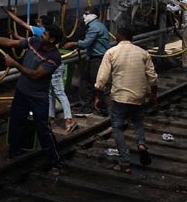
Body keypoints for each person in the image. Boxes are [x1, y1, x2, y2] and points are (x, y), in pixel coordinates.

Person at [0, 25, 64, 172]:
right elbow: (9, 43)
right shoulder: (34, 41)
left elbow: (36, 75)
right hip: (22, 92)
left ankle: (54, 160)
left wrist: (15, 64)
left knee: (43, 128)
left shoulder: (54, 57)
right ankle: (14, 154)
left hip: (38, 97)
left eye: (45, 34)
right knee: (16, 123)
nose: (42, 35)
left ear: (52, 40)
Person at [95, 26, 158, 173]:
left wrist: (98, 97)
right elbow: (153, 78)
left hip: (120, 97)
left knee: (117, 127)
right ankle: (141, 144)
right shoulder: (143, 53)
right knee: (137, 121)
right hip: (139, 96)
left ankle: (124, 162)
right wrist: (153, 95)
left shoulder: (111, 52)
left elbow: (102, 78)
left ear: (118, 36)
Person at [3, 8, 78, 133]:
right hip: (52, 66)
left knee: (59, 92)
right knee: (51, 93)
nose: (37, 23)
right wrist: (16, 36)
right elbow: (28, 40)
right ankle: (51, 117)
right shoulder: (48, 32)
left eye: (38, 21)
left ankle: (68, 120)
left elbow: (22, 24)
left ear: (42, 25)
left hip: (50, 67)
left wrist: (10, 14)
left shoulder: (41, 31)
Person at [64, 9, 112, 112]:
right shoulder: (97, 26)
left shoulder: (94, 27)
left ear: (93, 15)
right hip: (94, 58)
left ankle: (100, 106)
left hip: (97, 59)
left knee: (96, 83)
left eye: (87, 13)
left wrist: (73, 43)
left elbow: (86, 43)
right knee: (86, 81)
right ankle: (87, 105)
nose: (84, 16)